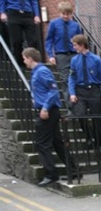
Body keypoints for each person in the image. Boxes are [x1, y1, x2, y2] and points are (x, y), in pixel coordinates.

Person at [22, 47, 79, 186]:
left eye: (24, 58)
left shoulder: (42, 71)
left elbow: (53, 91)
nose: (24, 62)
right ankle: (74, 170)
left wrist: (45, 107)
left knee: (41, 143)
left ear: (30, 58)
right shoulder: (37, 72)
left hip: (48, 111)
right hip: (47, 109)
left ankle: (51, 174)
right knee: (56, 142)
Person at [68, 34, 101, 149]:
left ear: (82, 45)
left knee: (97, 118)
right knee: (80, 115)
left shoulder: (96, 59)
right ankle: (89, 137)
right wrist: (72, 93)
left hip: (94, 90)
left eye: (75, 45)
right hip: (80, 91)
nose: (74, 48)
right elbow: (72, 77)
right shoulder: (74, 60)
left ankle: (99, 143)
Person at [45, 1, 83, 107]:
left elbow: (80, 41)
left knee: (77, 78)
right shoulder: (54, 24)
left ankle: (79, 105)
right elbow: (49, 40)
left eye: (68, 14)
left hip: (74, 55)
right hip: (61, 55)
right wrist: (51, 55)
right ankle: (70, 107)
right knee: (65, 80)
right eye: (63, 14)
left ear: (71, 14)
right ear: (60, 13)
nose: (66, 16)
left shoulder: (75, 26)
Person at [0, 0, 40, 65]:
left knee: (33, 40)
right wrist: (2, 12)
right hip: (13, 13)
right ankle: (20, 63)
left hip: (27, 13)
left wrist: (37, 15)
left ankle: (34, 62)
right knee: (16, 41)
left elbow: (34, 1)